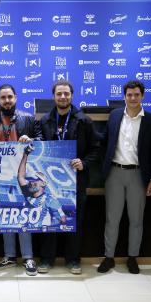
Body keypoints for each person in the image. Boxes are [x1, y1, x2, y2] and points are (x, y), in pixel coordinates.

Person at [97, 80, 151, 274]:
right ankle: (109, 257)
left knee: (136, 219)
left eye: (136, 95)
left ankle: (133, 257)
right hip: (114, 173)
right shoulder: (115, 115)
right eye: (129, 95)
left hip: (138, 174)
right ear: (124, 96)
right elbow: (105, 141)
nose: (132, 98)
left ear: (142, 96)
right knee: (112, 218)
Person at [38, 80, 100, 275]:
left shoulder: (84, 120)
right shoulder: (45, 120)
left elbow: (96, 149)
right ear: (54, 96)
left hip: (76, 179)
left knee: (74, 220)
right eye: (59, 94)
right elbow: (40, 146)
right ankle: (47, 259)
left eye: (66, 94)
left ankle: (73, 260)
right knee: (50, 218)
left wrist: (84, 162)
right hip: (50, 180)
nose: (63, 97)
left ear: (72, 95)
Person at [0, 84, 41, 276]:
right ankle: (10, 255)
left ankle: (28, 257)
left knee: (23, 213)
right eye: (3, 98)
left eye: (10, 97)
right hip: (0, 173)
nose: (7, 101)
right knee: (6, 213)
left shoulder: (28, 118)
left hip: (23, 171)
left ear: (16, 98)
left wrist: (30, 139)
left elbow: (41, 140)